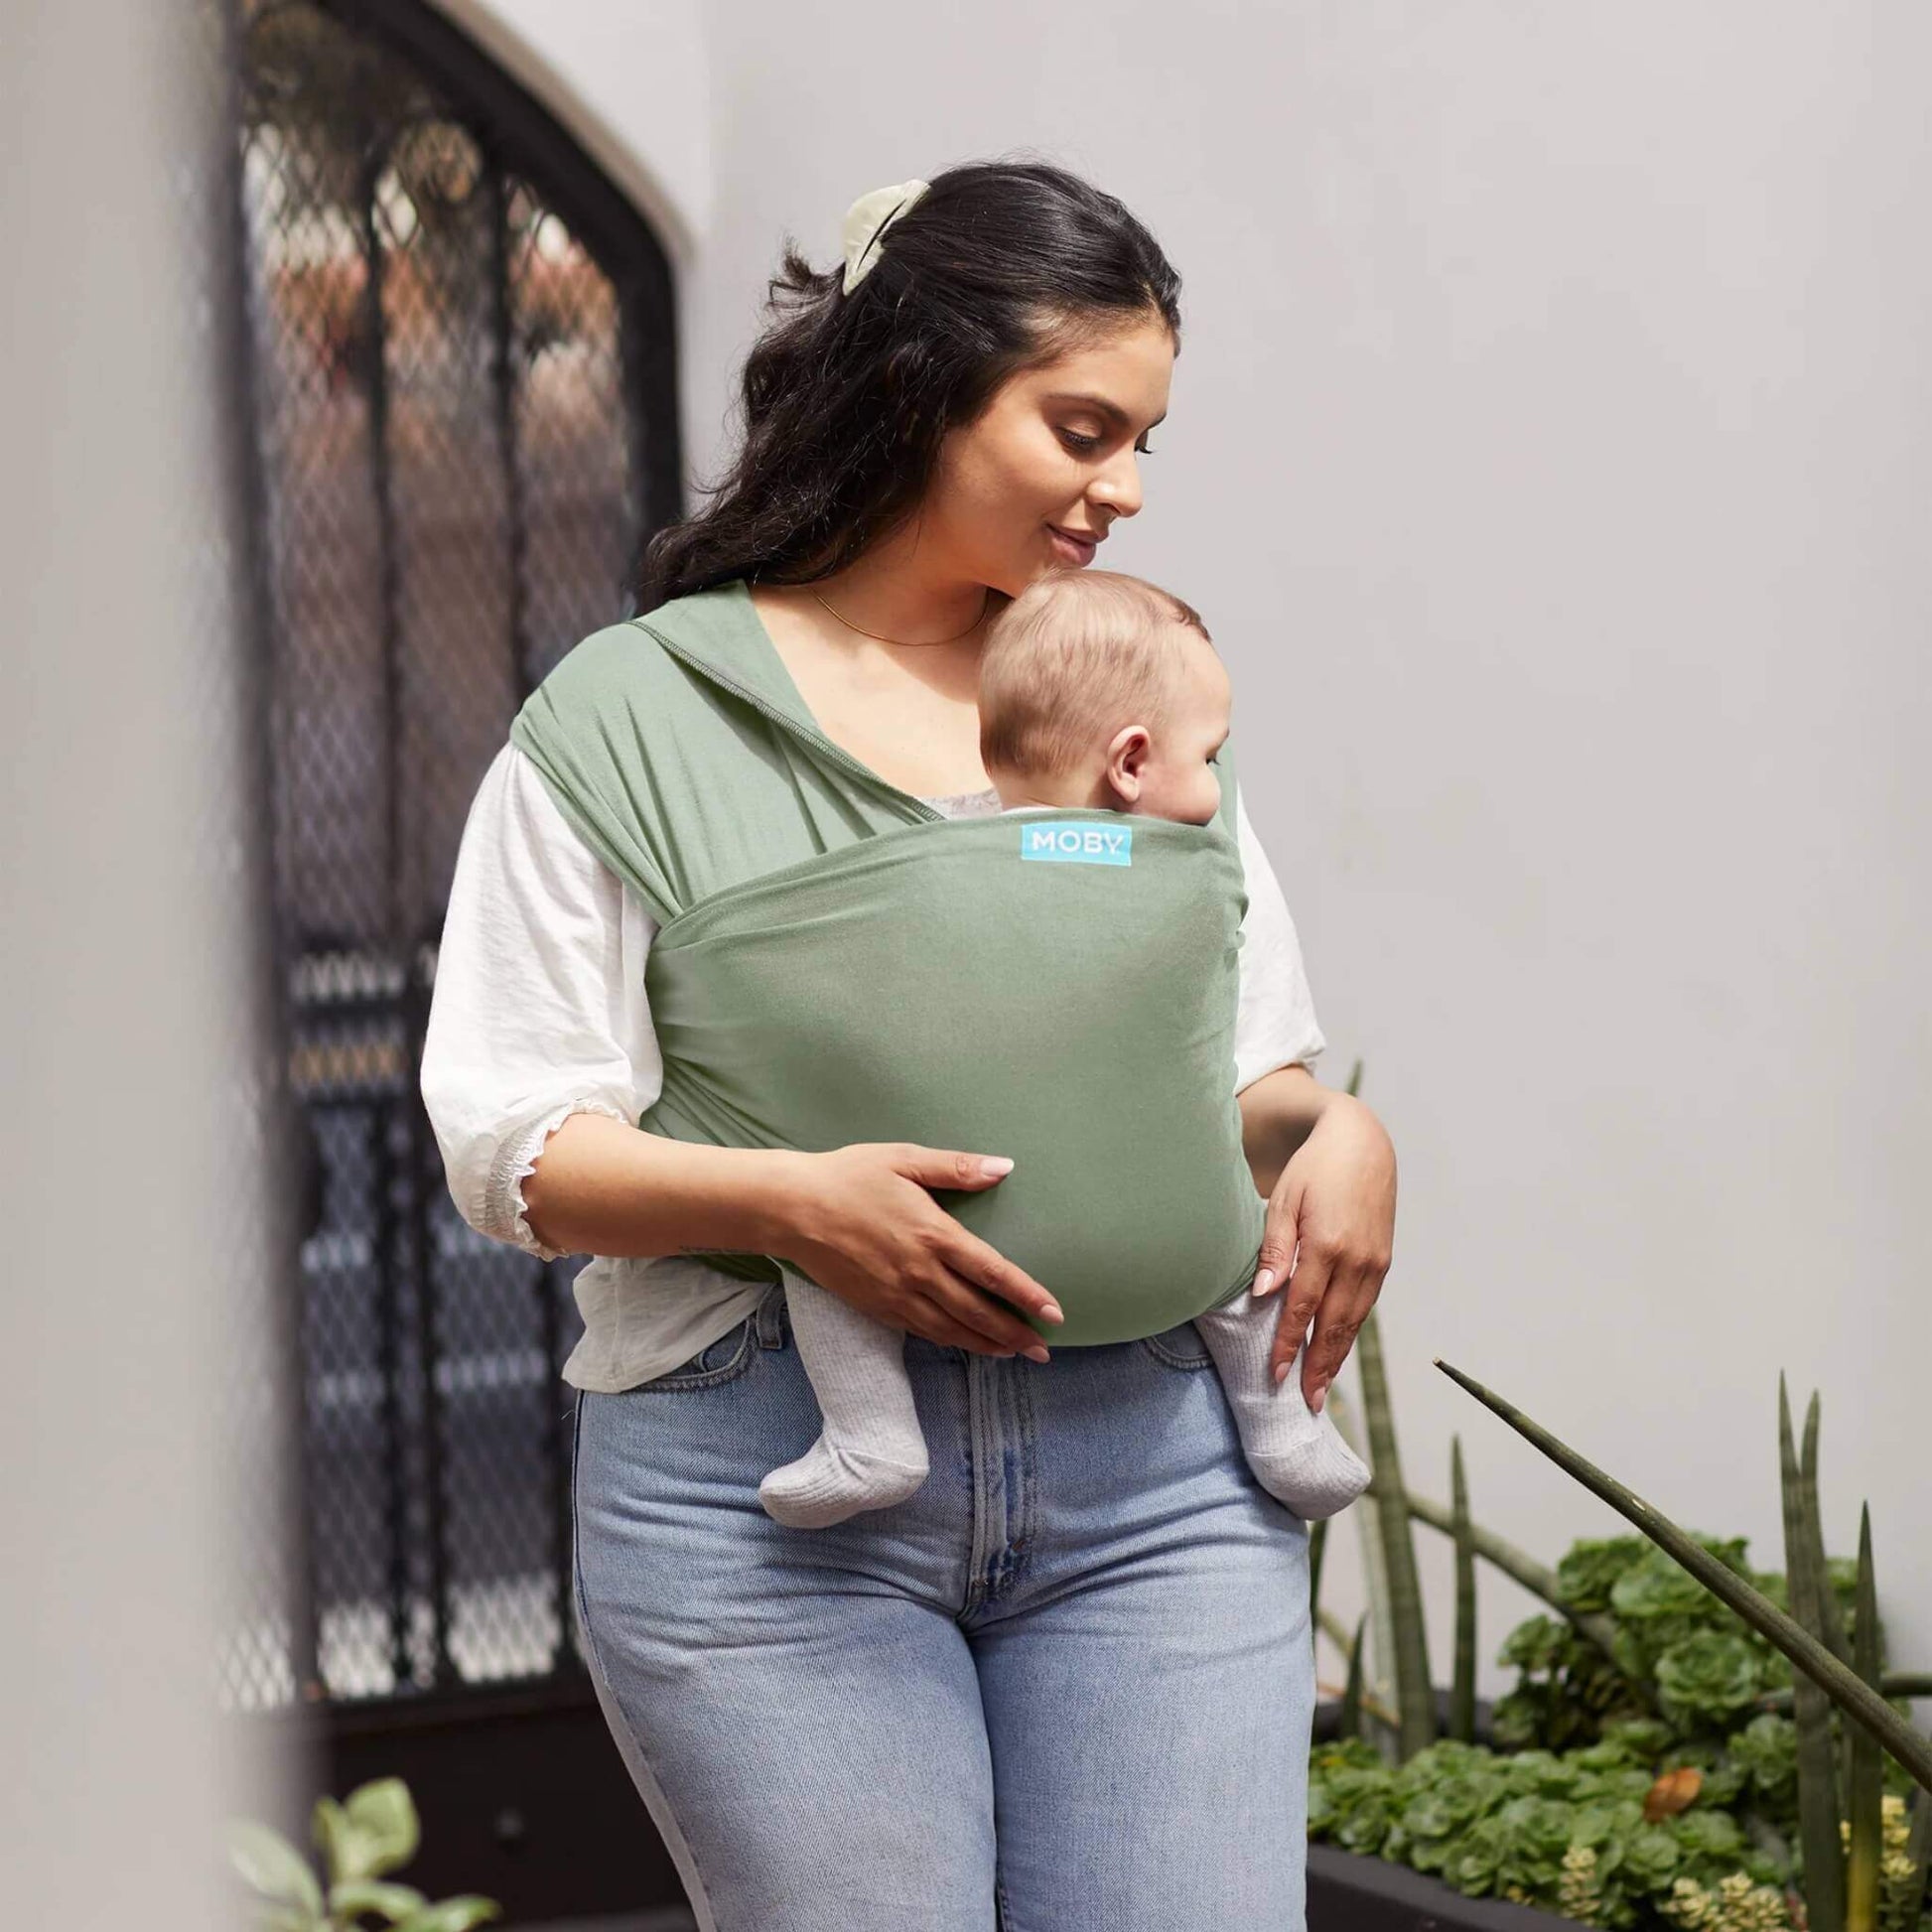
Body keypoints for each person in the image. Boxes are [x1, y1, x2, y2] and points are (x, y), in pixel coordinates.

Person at [422, 160, 1398, 1932]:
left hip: (1162, 1481)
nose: (1128, 487)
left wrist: (1335, 1139)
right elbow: (512, 1147)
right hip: (769, 1494)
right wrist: (798, 1206)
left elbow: (1240, 1070)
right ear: (918, 381)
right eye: (1083, 427)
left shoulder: (1129, 695)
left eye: (1145, 439)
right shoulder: (629, 723)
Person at [761, 566, 1369, 1530]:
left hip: (948, 1193)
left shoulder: (924, 844)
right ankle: (1281, 1422)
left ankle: (868, 1427)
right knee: (1234, 1247)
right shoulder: (1186, 879)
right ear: (1129, 763)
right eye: (1208, 755)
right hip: (1143, 1184)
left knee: (824, 1257)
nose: (1215, 789)